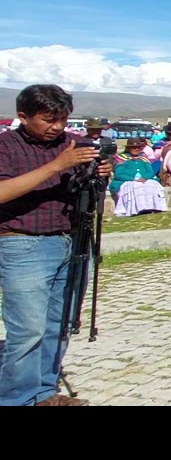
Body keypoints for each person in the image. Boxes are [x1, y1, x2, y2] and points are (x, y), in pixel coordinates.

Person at [0, 84, 113, 406]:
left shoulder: (75, 144)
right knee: (28, 331)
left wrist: (102, 171)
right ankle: (16, 399)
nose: (57, 127)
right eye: (49, 120)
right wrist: (55, 166)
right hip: (22, 245)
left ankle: (44, 392)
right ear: (23, 116)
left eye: (62, 119)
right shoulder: (5, 146)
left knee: (59, 324)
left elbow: (90, 186)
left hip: (73, 242)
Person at [110, 137, 167, 217]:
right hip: (127, 181)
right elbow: (119, 174)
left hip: (143, 180)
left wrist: (145, 178)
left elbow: (150, 172)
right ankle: (137, 209)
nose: (136, 149)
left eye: (138, 147)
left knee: (152, 184)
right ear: (128, 148)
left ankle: (153, 207)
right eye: (133, 147)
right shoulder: (122, 159)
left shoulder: (143, 159)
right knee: (135, 186)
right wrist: (134, 179)